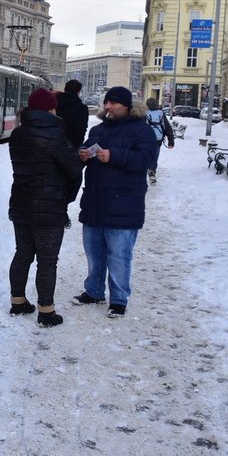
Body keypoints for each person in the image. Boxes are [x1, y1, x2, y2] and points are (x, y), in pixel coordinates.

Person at [72, 86, 157, 318]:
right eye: (106, 103)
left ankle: (118, 300)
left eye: (113, 103)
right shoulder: (98, 129)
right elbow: (86, 147)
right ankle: (94, 291)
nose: (107, 107)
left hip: (124, 204)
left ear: (127, 106)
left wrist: (113, 156)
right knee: (94, 253)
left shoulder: (142, 131)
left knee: (119, 256)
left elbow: (146, 159)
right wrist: (83, 153)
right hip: (95, 201)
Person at [7, 88, 83, 327]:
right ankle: (46, 311)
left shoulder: (17, 134)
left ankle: (18, 302)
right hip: (49, 209)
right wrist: (66, 198)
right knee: (47, 260)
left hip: (21, 203)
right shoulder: (55, 135)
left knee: (23, 254)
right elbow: (73, 171)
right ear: (51, 109)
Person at [144, 97, 175, 183]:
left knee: (146, 154)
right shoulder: (161, 113)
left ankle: (144, 170)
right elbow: (168, 128)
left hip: (146, 140)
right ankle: (152, 171)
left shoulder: (144, 114)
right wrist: (171, 141)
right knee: (155, 156)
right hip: (158, 139)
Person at [55, 79, 89, 148]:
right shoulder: (82, 108)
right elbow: (81, 129)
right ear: (78, 91)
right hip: (70, 145)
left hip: (52, 143)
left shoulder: (54, 103)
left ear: (65, 89)